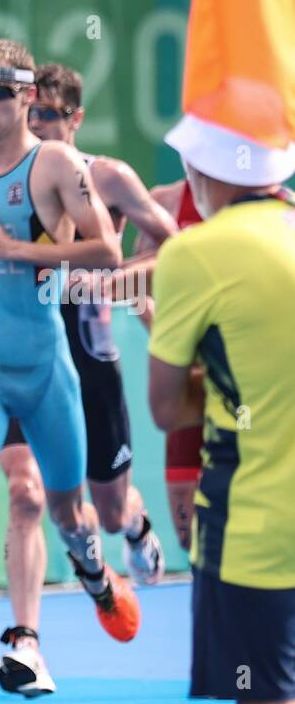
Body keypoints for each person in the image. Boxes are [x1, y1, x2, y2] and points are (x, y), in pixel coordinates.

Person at [0, 40, 138, 704]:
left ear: (26, 99)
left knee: (69, 514)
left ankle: (97, 575)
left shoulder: (57, 165)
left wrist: (19, 249)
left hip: (46, 372)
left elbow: (107, 249)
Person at [150, 122, 295, 704]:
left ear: (200, 171)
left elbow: (164, 403)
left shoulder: (195, 252)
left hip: (256, 527)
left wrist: (229, 389)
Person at [137, 177, 204, 551]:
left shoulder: (269, 206)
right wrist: (174, 343)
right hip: (187, 376)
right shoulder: (162, 200)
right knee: (187, 532)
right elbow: (135, 289)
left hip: (240, 376)